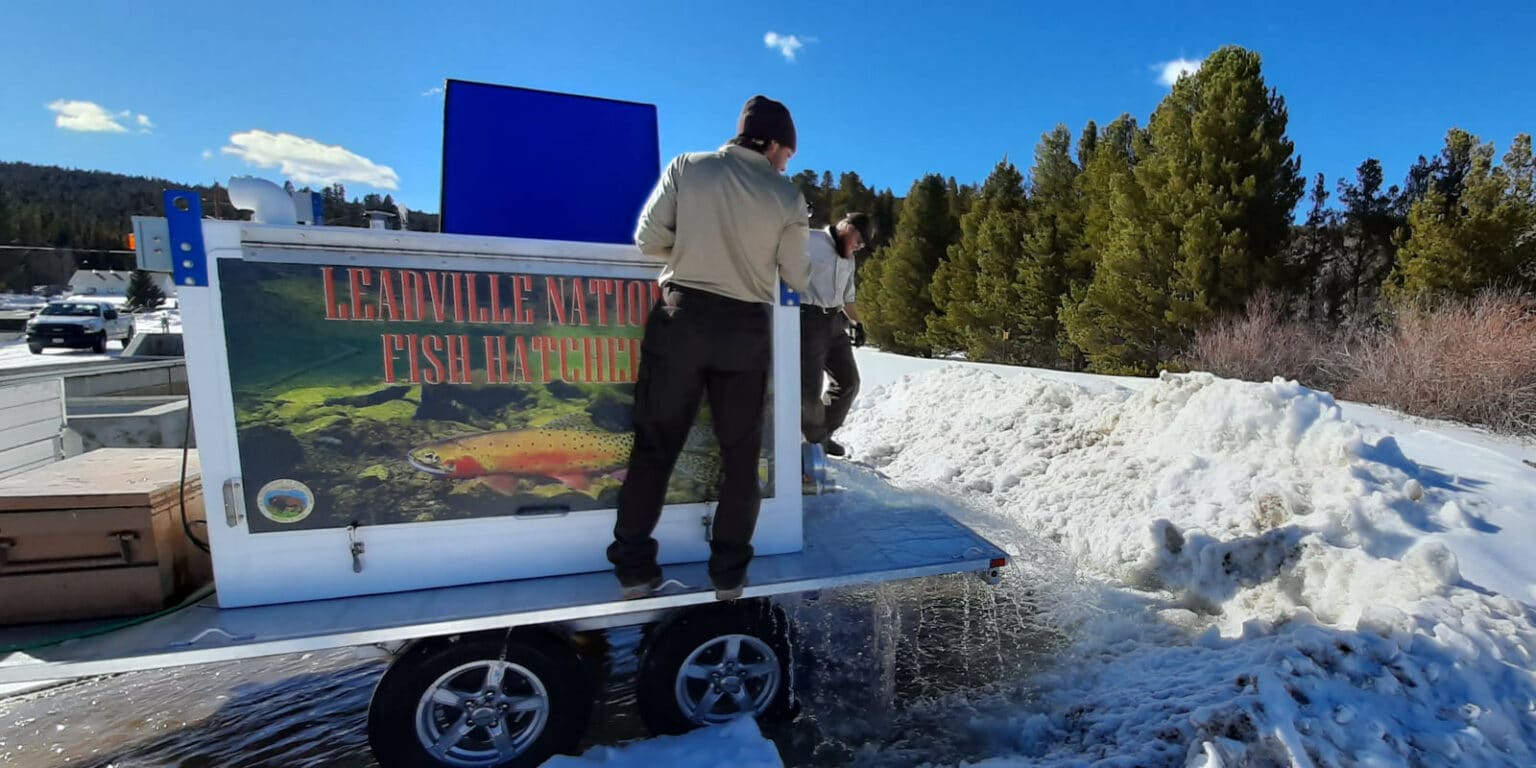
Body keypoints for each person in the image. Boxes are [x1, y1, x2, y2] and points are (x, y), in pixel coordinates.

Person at [608, 95, 812, 601]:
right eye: (787, 151)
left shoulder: (688, 167)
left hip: (681, 317)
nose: (787, 161)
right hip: (744, 326)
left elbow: (646, 239)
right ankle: (728, 577)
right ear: (770, 142)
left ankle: (634, 570)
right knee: (740, 456)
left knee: (655, 446)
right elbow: (796, 273)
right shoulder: (786, 195)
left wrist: (692, 251)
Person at [800, 212, 869, 458]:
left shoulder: (848, 258)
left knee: (849, 381)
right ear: (847, 227)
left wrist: (857, 323)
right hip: (807, 317)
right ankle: (812, 442)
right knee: (809, 389)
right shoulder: (809, 240)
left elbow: (848, 296)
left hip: (835, 321)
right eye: (859, 240)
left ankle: (821, 436)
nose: (859, 247)